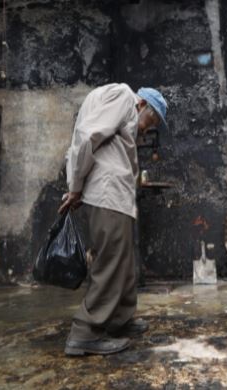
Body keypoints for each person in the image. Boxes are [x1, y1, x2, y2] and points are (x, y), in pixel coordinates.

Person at [59, 83, 168, 355]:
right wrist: (75, 187)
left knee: (122, 259)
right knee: (109, 262)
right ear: (142, 104)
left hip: (114, 196)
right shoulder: (122, 96)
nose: (146, 129)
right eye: (151, 121)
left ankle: (119, 319)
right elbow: (87, 137)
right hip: (107, 193)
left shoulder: (110, 100)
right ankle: (85, 331)